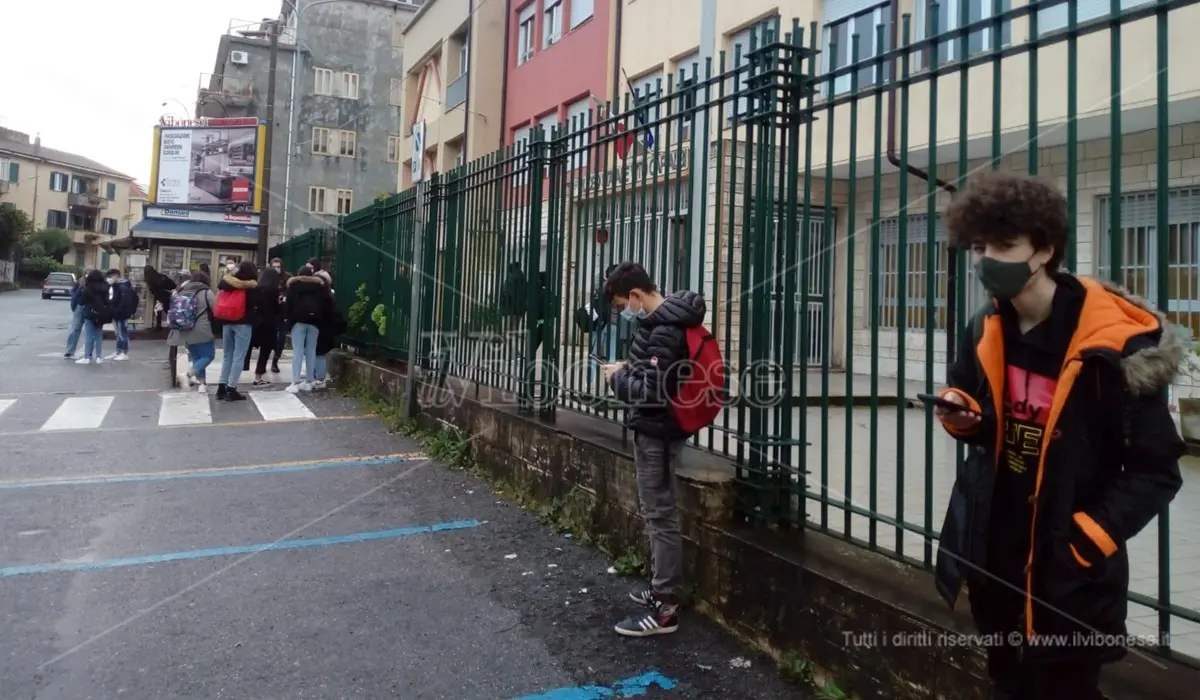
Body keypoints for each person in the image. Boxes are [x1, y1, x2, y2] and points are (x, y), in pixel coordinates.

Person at [932, 171, 1185, 700]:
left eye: (1004, 246)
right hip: (994, 552)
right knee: (1007, 684)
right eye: (979, 247)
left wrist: (1086, 539)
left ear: (1045, 249)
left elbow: (1156, 469)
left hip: (1068, 565)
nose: (986, 261)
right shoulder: (984, 327)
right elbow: (973, 407)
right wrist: (964, 418)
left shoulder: (1112, 347)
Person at [601, 261, 707, 638]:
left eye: (620, 304)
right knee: (657, 512)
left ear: (635, 295)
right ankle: (661, 588)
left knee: (660, 515)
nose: (621, 311)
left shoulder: (664, 328)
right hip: (660, 430)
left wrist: (617, 378)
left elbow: (651, 393)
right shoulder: (667, 323)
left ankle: (665, 609)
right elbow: (658, 374)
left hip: (658, 434)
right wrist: (631, 367)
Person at [284, 264, 334, 393]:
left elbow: (288, 305)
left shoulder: (294, 286)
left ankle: (295, 382)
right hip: (315, 322)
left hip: (298, 321)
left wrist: (288, 322)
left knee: (298, 352)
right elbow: (327, 305)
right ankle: (309, 381)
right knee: (311, 351)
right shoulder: (320, 287)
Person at [215, 261, 259, 401]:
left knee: (227, 355)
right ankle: (231, 388)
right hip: (243, 323)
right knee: (239, 356)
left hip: (226, 322)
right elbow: (256, 304)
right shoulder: (251, 285)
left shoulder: (227, 283)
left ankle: (221, 387)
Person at [166, 271, 218, 393]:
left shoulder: (181, 291)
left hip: (184, 328)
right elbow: (216, 309)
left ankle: (202, 384)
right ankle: (188, 374)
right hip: (202, 329)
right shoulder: (206, 292)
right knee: (208, 355)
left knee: (197, 357)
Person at [244, 266, 284, 387]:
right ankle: (258, 376)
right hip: (268, 323)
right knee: (265, 351)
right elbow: (276, 309)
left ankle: (241, 369)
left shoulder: (255, 288)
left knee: (247, 348)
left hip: (255, 322)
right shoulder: (273, 290)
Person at [311, 269, 345, 389]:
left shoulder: (320, 297)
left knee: (318, 353)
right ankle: (318, 377)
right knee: (319, 353)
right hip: (325, 329)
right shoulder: (329, 296)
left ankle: (319, 378)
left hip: (320, 328)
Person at [76, 269, 113, 365]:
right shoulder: (106, 287)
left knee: (89, 336)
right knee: (98, 336)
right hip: (101, 314)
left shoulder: (88, 288)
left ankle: (87, 357)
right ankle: (99, 357)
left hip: (89, 314)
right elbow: (107, 301)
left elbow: (81, 301)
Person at [105, 268, 137, 361]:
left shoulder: (122, 287)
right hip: (118, 313)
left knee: (122, 333)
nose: (109, 279)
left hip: (122, 314)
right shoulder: (117, 286)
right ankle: (118, 351)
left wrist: (116, 310)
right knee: (119, 333)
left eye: (111, 277)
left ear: (116, 276)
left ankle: (124, 352)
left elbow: (123, 302)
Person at [143, 265, 176, 330]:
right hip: (167, 296)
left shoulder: (150, 279)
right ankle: (171, 324)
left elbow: (153, 289)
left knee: (159, 311)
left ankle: (159, 326)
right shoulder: (160, 276)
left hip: (160, 297)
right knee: (167, 311)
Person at [64, 273, 87, 359]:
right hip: (79, 308)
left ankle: (88, 352)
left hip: (89, 308)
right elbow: (74, 294)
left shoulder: (94, 283)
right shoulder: (80, 282)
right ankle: (69, 351)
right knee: (74, 329)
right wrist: (74, 306)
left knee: (87, 331)